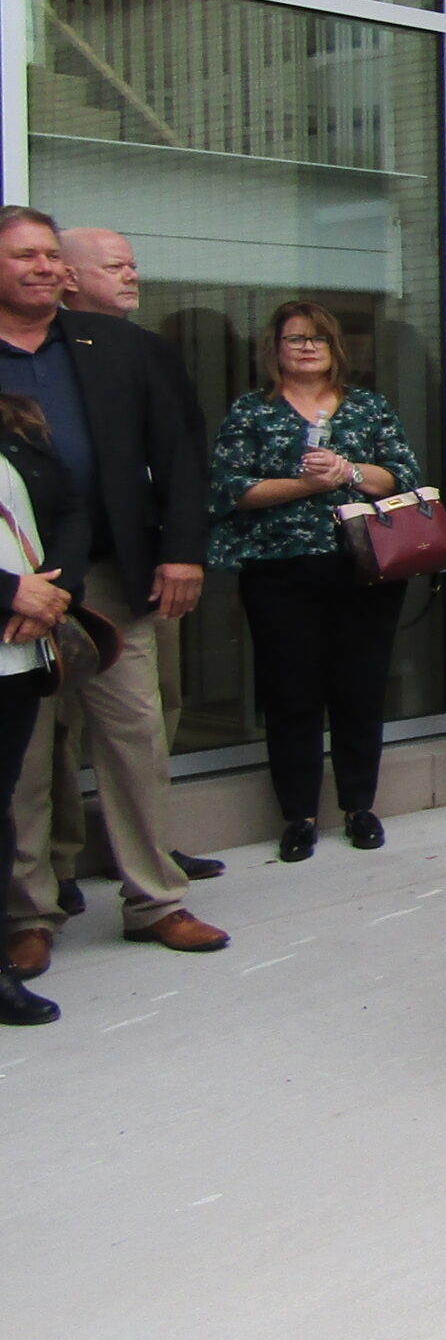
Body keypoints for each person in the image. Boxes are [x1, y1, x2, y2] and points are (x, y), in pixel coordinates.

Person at [0, 208, 224, 974]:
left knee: (134, 738)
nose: (40, 268)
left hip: (112, 573)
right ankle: (29, 911)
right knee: (26, 753)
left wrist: (183, 552)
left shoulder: (122, 348)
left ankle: (155, 900)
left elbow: (183, 456)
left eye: (47, 256)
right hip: (16, 581)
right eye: (21, 256)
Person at [208, 303, 423, 861]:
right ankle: (299, 814)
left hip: (365, 568)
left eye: (318, 340)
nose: (306, 348)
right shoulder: (252, 412)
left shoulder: (369, 407)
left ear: (335, 350)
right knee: (290, 692)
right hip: (280, 571)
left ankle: (359, 806)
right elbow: (234, 490)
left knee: (360, 689)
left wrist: (347, 472)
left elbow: (402, 476)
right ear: (274, 347)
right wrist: (306, 484)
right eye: (295, 338)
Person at [42, 225, 220, 884]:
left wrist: (182, 551)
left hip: (137, 566)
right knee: (52, 724)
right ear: (70, 277)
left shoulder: (149, 352)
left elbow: (183, 457)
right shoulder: (29, 355)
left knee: (154, 705)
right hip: (50, 570)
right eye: (115, 266)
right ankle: (58, 865)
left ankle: (150, 852)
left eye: (133, 265)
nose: (132, 276)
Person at [0, 393, 83, 1025]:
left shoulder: (16, 425)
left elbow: (62, 509)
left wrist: (49, 593)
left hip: (18, 655)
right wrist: (11, 593)